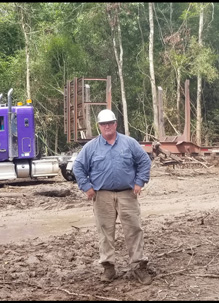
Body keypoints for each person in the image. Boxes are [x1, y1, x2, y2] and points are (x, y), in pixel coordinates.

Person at [73, 109, 152, 285]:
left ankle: (138, 266)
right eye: (103, 124)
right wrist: (87, 187)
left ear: (116, 124)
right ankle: (108, 267)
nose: (107, 126)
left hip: (127, 194)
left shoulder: (129, 143)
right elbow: (78, 167)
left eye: (110, 123)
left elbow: (144, 162)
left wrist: (139, 182)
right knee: (105, 232)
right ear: (99, 126)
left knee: (134, 229)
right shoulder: (91, 147)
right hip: (102, 196)